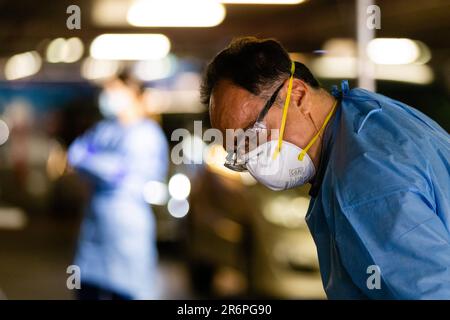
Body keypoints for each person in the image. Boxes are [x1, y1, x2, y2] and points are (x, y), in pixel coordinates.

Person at [201, 37, 450, 299]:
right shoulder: (364, 115)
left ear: (297, 96)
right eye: (240, 150)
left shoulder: (364, 180)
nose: (253, 160)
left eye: (251, 135)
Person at [68, 71, 169, 300]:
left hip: (128, 230)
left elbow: (118, 172)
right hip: (94, 233)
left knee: (127, 291)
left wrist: (94, 162)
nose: (109, 96)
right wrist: (103, 164)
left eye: (115, 91)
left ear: (133, 94)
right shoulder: (104, 129)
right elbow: (75, 155)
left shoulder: (146, 134)